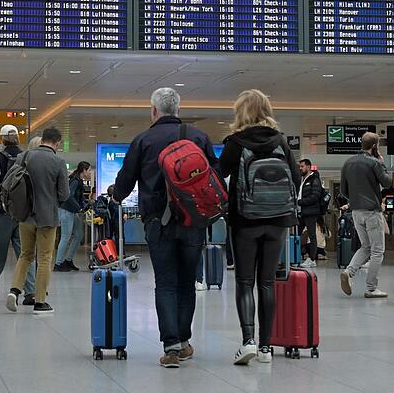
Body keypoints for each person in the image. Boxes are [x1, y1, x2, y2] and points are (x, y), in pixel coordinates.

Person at [113, 87, 218, 368]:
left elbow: (125, 180)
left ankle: (171, 347)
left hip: (158, 222)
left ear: (153, 110)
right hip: (194, 222)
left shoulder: (144, 139)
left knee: (166, 283)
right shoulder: (198, 136)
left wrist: (117, 195)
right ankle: (184, 342)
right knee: (187, 282)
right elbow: (215, 174)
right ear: (178, 110)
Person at [220, 89, 299, 365]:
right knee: (267, 282)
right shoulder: (281, 141)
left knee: (244, 281)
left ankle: (248, 341)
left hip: (245, 219)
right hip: (278, 220)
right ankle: (266, 348)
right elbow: (295, 177)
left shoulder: (235, 142)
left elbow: (219, 177)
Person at [6, 127, 69, 315]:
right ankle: (40, 302)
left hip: (25, 215)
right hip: (47, 217)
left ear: (42, 139)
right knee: (44, 258)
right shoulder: (58, 162)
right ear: (57, 142)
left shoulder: (23, 157)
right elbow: (64, 194)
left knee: (25, 255)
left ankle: (14, 291)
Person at [0, 125, 36, 304]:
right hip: (24, 214)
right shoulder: (28, 157)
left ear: (2, 139)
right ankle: (31, 292)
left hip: (2, 213)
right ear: (18, 139)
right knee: (26, 254)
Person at [339, 132, 392, 299]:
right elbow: (387, 183)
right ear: (375, 146)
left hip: (356, 212)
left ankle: (349, 272)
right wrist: (382, 164)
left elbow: (343, 191)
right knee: (377, 251)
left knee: (365, 246)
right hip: (372, 211)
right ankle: (371, 288)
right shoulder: (375, 162)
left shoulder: (348, 162)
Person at [55, 161, 90, 272]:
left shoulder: (78, 180)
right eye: (88, 170)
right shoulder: (75, 180)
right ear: (84, 170)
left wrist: (85, 205)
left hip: (72, 211)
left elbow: (78, 197)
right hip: (66, 210)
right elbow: (69, 196)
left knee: (79, 234)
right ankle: (58, 264)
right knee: (65, 236)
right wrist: (79, 208)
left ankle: (68, 260)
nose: (89, 173)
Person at [297, 159, 323, 268]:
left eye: (302, 166)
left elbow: (315, 196)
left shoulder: (314, 180)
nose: (300, 168)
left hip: (310, 212)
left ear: (308, 167)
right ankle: (296, 256)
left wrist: (300, 202)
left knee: (312, 235)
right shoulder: (303, 180)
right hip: (301, 212)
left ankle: (312, 259)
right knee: (297, 235)